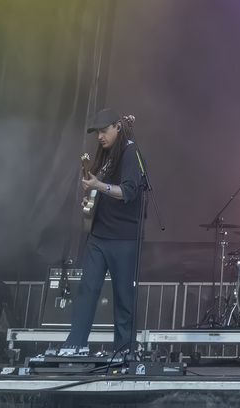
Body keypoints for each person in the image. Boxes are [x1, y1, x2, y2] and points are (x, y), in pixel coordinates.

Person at [57, 110, 147, 358]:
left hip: (124, 238)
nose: (99, 136)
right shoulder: (105, 155)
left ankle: (123, 350)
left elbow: (128, 192)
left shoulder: (130, 152)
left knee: (122, 296)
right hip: (99, 235)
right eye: (96, 132)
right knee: (87, 289)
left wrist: (99, 186)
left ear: (118, 127)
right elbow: (98, 190)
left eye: (104, 130)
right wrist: (90, 196)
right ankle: (76, 343)